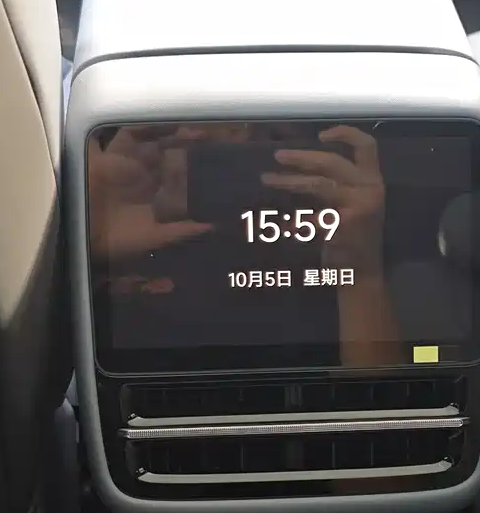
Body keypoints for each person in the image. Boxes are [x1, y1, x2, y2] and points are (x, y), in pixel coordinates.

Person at [86, 122, 402, 368]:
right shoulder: (105, 219)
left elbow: (379, 402)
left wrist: (360, 275)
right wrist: (83, 243)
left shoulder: (329, 227)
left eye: (238, 125)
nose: (199, 133)